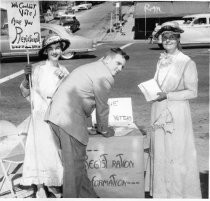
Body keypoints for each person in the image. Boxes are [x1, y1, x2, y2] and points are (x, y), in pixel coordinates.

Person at [44, 47, 129, 198]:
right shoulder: (105, 75)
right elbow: (102, 107)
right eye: (117, 63)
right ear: (107, 59)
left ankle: (89, 196)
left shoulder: (92, 66)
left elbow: (83, 95)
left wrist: (88, 125)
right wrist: (104, 130)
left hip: (56, 117)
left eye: (122, 66)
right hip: (68, 120)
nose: (120, 68)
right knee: (74, 169)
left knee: (76, 165)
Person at [148, 22, 201, 198]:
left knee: (176, 152)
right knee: (161, 151)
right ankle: (162, 193)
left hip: (176, 113)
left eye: (172, 37)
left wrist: (168, 95)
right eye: (165, 37)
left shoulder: (186, 62)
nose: (168, 40)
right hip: (158, 109)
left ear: (178, 39)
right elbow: (159, 84)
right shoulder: (161, 60)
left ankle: (178, 194)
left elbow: (192, 92)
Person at [20, 34, 70, 198]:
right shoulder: (39, 69)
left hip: (58, 116)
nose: (55, 52)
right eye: (51, 49)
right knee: (40, 150)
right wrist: (27, 78)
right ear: (46, 52)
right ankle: (40, 185)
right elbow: (25, 91)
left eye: (57, 48)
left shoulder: (64, 70)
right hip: (41, 116)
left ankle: (53, 183)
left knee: (55, 151)